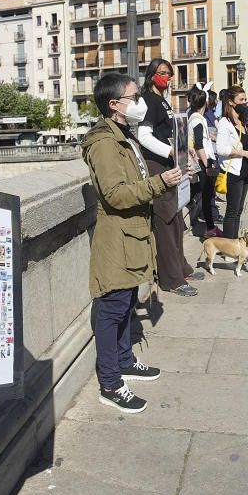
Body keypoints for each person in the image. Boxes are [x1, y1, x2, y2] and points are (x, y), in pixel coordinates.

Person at [81, 73, 181, 413]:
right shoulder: (104, 143)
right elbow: (114, 194)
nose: (140, 102)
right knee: (111, 309)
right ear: (115, 105)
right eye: (134, 97)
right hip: (117, 240)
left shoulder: (124, 136)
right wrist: (159, 183)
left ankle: (124, 360)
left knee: (124, 304)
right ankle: (110, 383)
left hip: (133, 236)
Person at [137, 59, 200, 297]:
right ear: (152, 75)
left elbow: (171, 133)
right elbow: (144, 135)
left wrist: (185, 150)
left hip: (171, 166)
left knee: (175, 220)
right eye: (162, 73)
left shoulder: (163, 101)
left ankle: (180, 268)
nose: (167, 77)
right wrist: (171, 151)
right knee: (165, 221)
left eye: (169, 74)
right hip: (158, 167)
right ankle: (171, 279)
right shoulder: (148, 100)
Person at [216, 86, 248, 239]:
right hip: (233, 171)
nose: (245, 103)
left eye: (245, 99)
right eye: (241, 100)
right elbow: (220, 148)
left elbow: (247, 142)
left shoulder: (241, 121)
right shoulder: (224, 123)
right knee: (232, 211)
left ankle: (234, 244)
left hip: (245, 170)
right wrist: (244, 153)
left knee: (239, 210)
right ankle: (228, 247)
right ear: (231, 102)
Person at [186, 87, 222, 238]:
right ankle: (210, 228)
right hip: (202, 161)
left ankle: (210, 227)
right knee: (206, 195)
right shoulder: (197, 120)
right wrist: (207, 165)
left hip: (200, 160)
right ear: (205, 103)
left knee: (206, 195)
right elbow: (199, 144)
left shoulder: (194, 117)